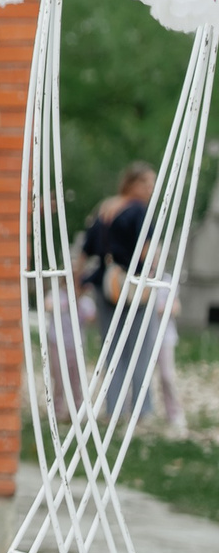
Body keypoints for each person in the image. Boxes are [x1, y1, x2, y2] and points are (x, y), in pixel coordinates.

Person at [81, 162, 187, 434]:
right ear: (133, 183)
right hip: (136, 287)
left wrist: (76, 279)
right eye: (147, 183)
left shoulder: (105, 209)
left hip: (107, 285)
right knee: (140, 348)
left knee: (112, 349)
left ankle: (113, 407)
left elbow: (87, 249)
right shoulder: (140, 211)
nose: (151, 189)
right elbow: (147, 252)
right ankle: (141, 410)